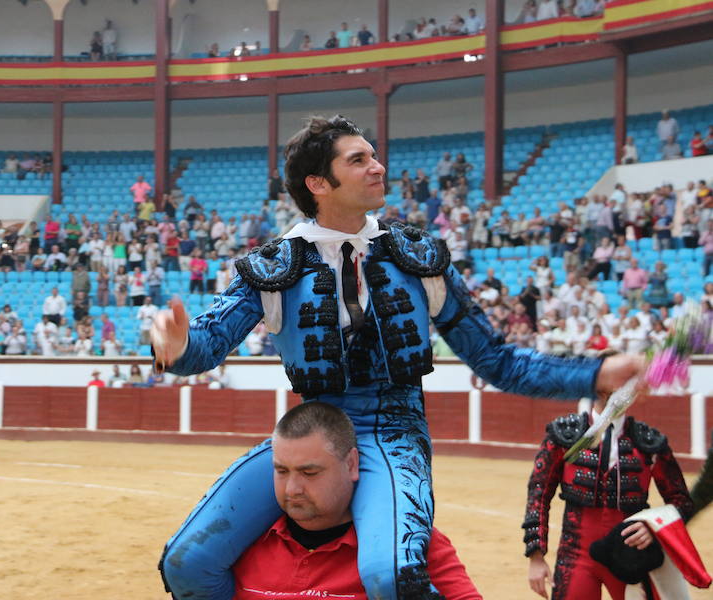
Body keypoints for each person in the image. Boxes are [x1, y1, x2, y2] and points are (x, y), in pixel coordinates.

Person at [154, 115, 643, 600]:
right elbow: (208, 342)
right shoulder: (275, 265)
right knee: (185, 562)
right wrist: (177, 351)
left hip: (395, 437)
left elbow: (497, 359)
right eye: (359, 160)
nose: (378, 167)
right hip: (311, 437)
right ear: (318, 183)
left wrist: (593, 372)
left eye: (374, 156)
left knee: (391, 575)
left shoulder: (418, 257)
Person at [232, 401, 482, 600]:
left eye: (310, 473)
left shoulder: (405, 541)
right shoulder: (241, 540)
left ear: (351, 464)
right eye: (282, 471)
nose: (293, 489)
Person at [522, 373, 694, 599]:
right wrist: (536, 556)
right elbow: (538, 494)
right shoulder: (564, 435)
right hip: (575, 557)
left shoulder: (649, 442)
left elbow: (682, 502)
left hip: (631, 557)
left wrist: (655, 528)